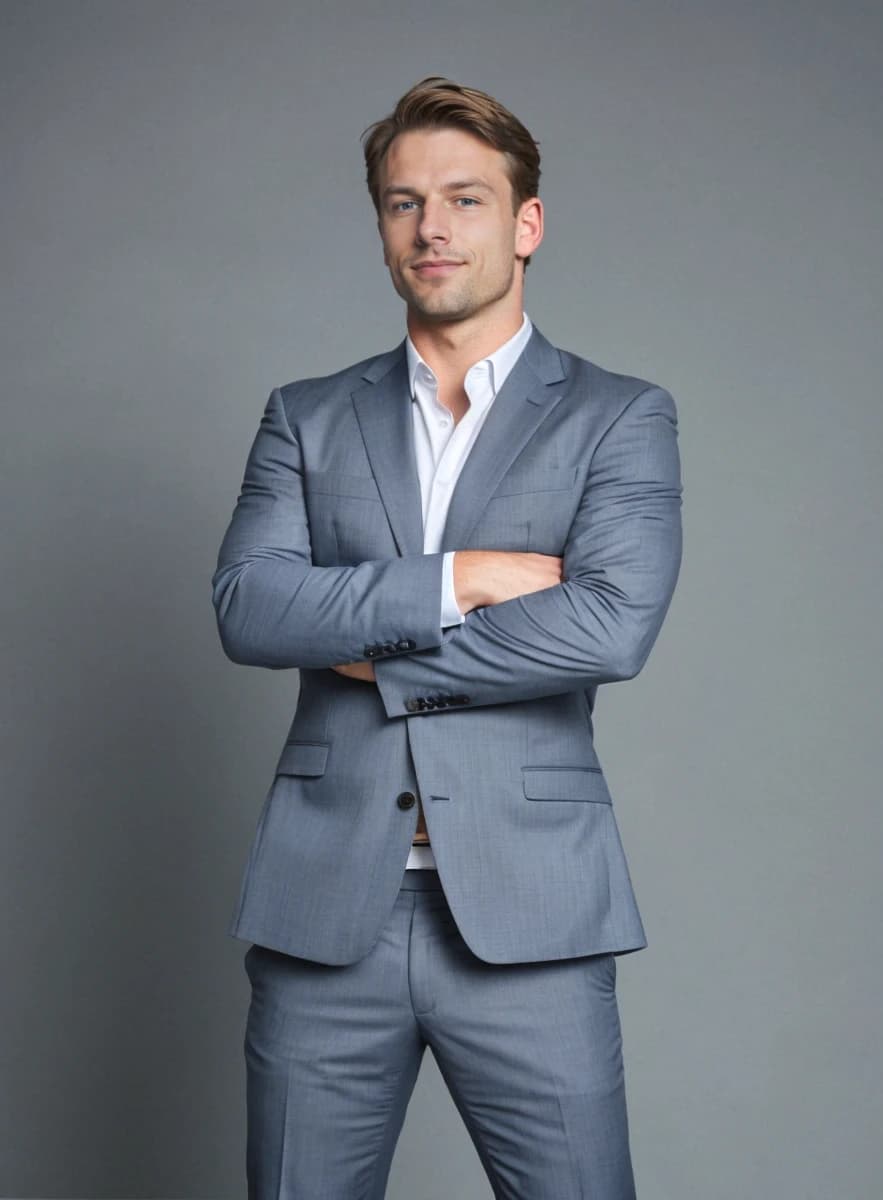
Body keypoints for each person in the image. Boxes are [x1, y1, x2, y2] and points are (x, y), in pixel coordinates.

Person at [212, 75, 682, 1200]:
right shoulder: (305, 415)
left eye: (465, 199)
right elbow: (248, 608)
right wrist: (457, 580)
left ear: (524, 224)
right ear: (380, 226)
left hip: (531, 918)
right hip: (322, 917)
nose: (430, 227)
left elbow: (609, 627)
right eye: (401, 201)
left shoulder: (617, 414)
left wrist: (369, 652)